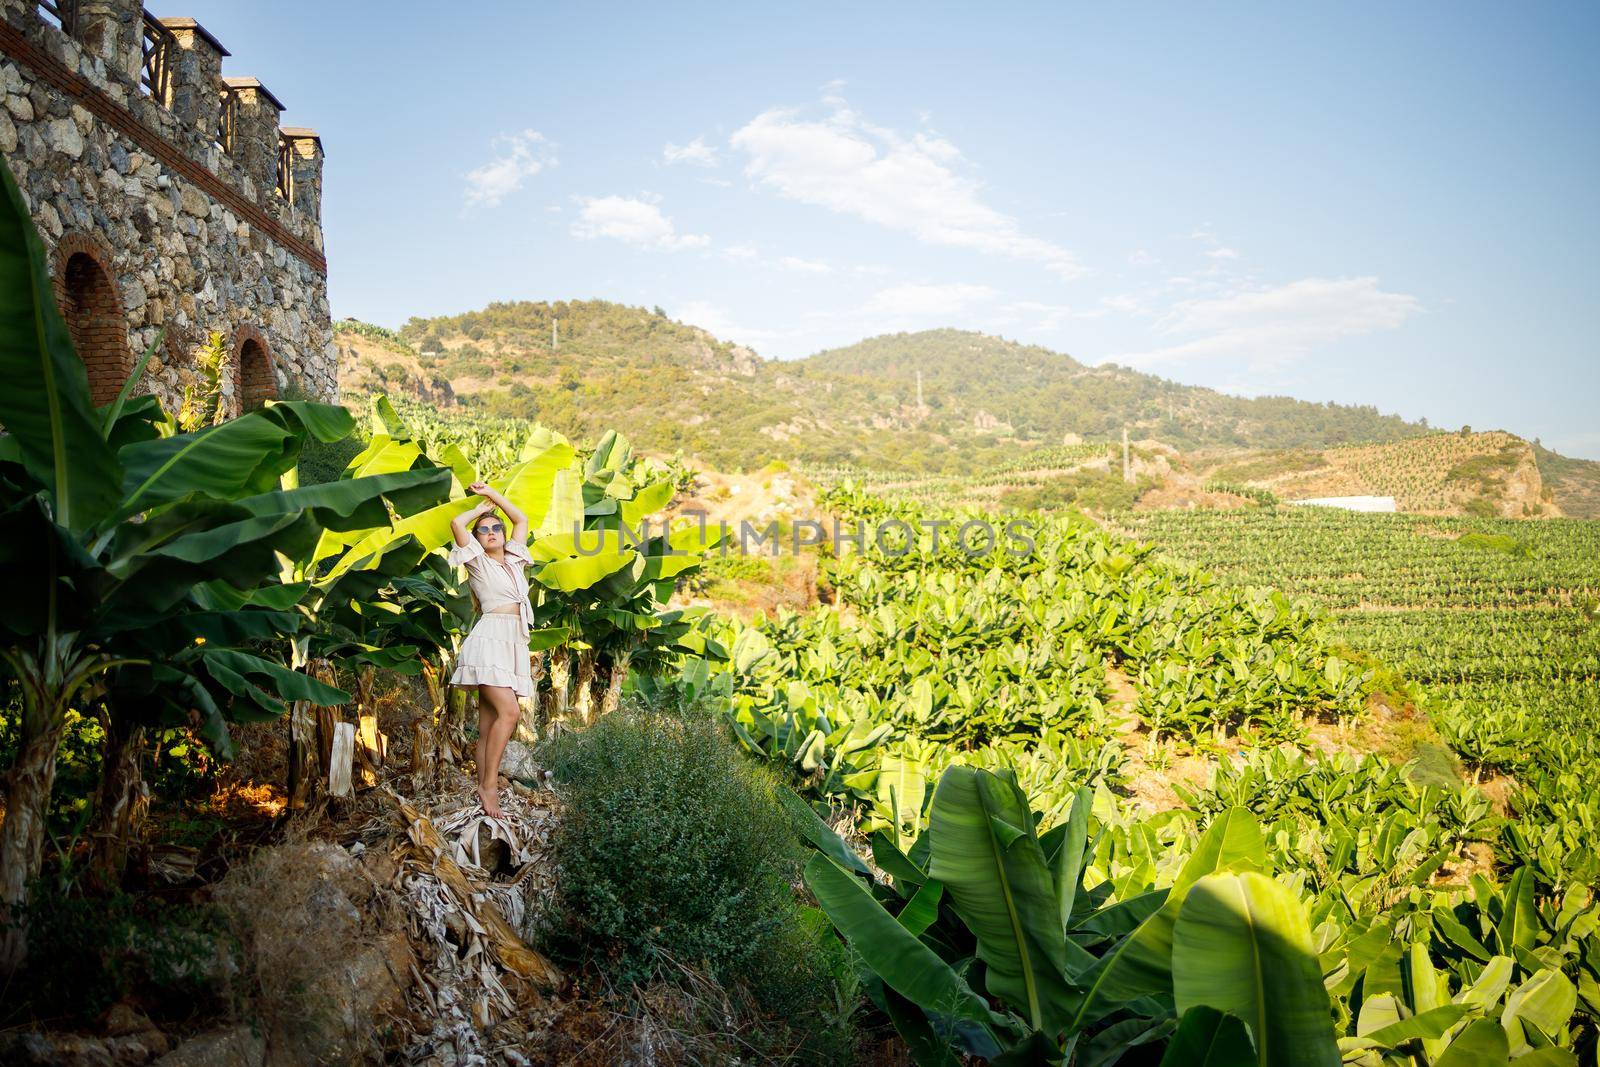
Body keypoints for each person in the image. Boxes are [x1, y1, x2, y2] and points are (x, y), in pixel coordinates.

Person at [447, 482, 533, 818]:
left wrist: (494, 496)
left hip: (512, 642)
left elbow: (521, 519)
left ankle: (481, 786)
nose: (492, 531)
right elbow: (457, 524)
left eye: (496, 527)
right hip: (488, 643)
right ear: (479, 539)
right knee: (509, 714)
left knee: (488, 725)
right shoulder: (478, 563)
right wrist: (480, 511)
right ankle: (489, 785)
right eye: (484, 530)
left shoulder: (514, 560)